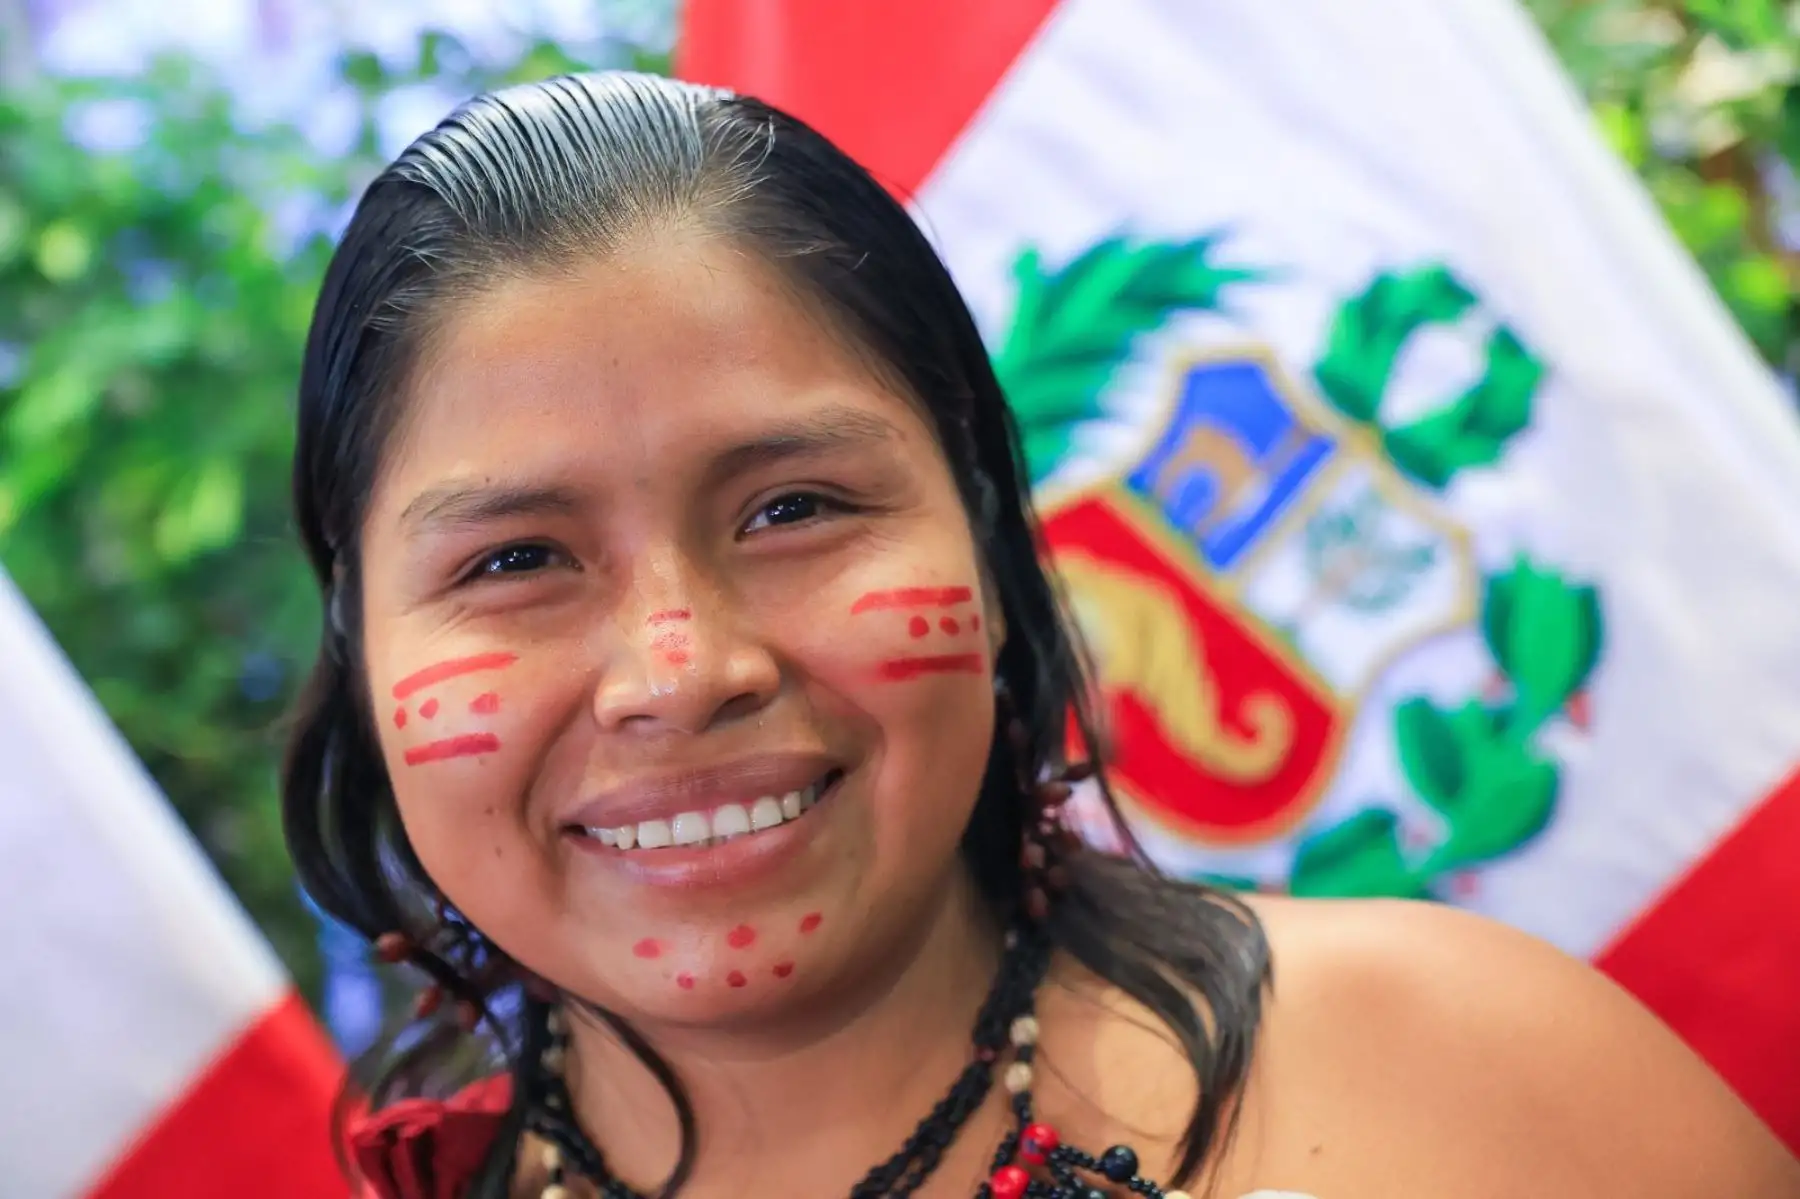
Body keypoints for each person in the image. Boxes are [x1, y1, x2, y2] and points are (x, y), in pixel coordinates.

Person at [282, 71, 1800, 1199]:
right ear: (362, 653)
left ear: (994, 547)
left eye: (793, 508)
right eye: (520, 557)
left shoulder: (1464, 1086)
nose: (681, 669)